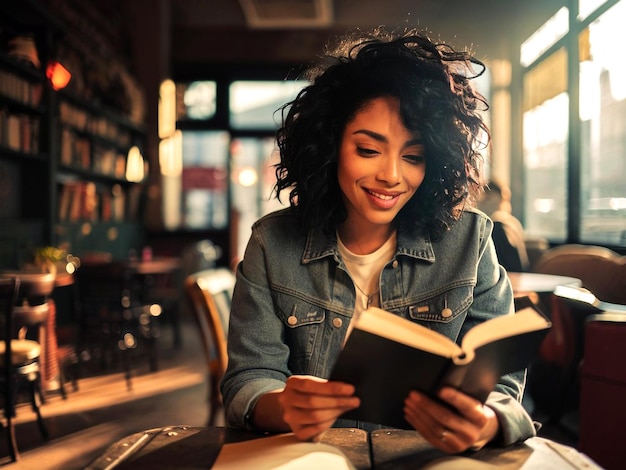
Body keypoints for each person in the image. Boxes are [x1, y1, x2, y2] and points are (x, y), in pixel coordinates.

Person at [221, 27, 537, 454]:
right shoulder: (271, 244)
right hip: (312, 456)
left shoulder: (470, 238)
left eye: (413, 157)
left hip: (427, 457)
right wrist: (280, 406)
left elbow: (502, 379)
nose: (392, 175)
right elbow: (248, 378)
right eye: (368, 150)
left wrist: (488, 422)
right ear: (330, 146)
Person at [478, 180, 530, 272]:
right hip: (520, 278)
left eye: (486, 198)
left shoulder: (495, 226)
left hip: (507, 279)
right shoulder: (513, 222)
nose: (480, 203)